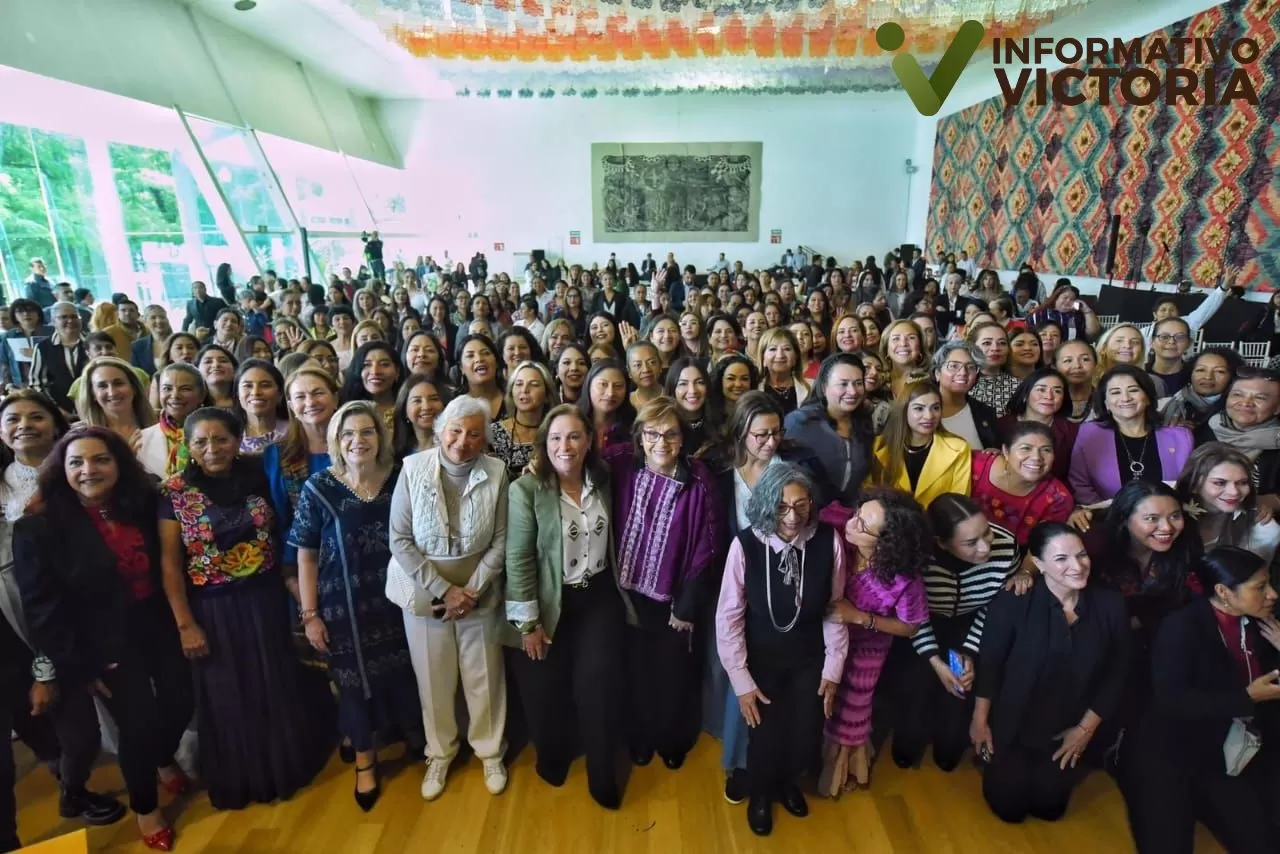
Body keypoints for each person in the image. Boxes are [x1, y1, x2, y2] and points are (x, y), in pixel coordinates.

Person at [14, 427, 193, 849]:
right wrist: (80, 664)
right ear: (62, 469)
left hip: (157, 621)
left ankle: (163, 757)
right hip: (101, 643)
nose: (89, 470)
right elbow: (42, 609)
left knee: (182, 702)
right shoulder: (37, 527)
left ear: (120, 465)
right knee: (136, 725)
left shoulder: (141, 503)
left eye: (101, 460)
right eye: (76, 462)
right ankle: (146, 808)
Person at [157, 407, 329, 812]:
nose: (212, 448)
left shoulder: (257, 476)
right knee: (228, 695)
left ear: (237, 441)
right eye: (200, 441)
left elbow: (283, 526)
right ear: (188, 445)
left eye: (221, 439)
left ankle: (284, 768)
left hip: (265, 600)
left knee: (274, 683)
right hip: (212, 610)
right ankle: (243, 777)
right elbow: (169, 565)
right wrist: (185, 625)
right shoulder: (173, 492)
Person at [0, 391, 125, 842]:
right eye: (12, 418)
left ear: (57, 424)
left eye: (37, 416)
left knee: (90, 722)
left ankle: (79, 783)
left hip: (80, 613)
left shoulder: (78, 470)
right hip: (15, 617)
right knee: (51, 723)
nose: (25, 425)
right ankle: (70, 789)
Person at [291, 401, 423, 810]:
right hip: (342, 606)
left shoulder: (402, 476)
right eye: (348, 433)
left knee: (406, 673)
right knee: (352, 687)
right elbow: (306, 554)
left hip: (398, 601)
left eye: (367, 432)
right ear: (335, 440)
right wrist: (310, 615)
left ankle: (415, 739)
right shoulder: (319, 487)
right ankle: (365, 762)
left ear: (380, 437)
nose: (357, 440)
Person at [388, 396, 511, 801]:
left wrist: (470, 591)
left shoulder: (496, 472)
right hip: (425, 592)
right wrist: (445, 590)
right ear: (440, 430)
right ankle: (439, 753)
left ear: (485, 438)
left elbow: (500, 540)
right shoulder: (412, 468)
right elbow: (401, 540)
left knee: (484, 677)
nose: (463, 440)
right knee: (433, 677)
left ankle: (490, 751)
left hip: (479, 589)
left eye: (474, 433)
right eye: (455, 431)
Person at [715, 464, 849, 836]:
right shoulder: (745, 545)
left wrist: (832, 669)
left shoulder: (829, 541)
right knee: (765, 731)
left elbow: (835, 609)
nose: (792, 517)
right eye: (781, 507)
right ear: (766, 506)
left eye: (801, 505)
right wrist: (741, 680)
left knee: (806, 728)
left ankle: (786, 783)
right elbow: (728, 617)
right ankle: (760, 794)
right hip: (762, 658)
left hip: (810, 657)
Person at [505, 404, 628, 809]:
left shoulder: (604, 478)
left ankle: (602, 774)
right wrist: (528, 624)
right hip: (547, 601)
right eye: (556, 438)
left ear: (589, 441)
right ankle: (554, 759)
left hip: (598, 597)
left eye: (574, 436)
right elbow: (519, 558)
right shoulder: (526, 490)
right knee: (544, 687)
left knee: (598, 684)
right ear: (544, 444)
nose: (565, 446)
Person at [1123, 546, 1280, 854]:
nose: (1273, 594)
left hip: (1235, 746)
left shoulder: (1268, 623)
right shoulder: (1181, 627)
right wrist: (1246, 697)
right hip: (1172, 749)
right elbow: (1172, 701)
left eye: (1270, 582)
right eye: (1260, 587)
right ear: (1223, 592)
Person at [972, 521, 1129, 825]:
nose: (1078, 566)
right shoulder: (1012, 601)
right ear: (1039, 564)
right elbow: (989, 664)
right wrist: (979, 721)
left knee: (1050, 809)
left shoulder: (1112, 605)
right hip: (1014, 725)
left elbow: (1118, 671)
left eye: (1082, 555)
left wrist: (1085, 730)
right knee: (1009, 809)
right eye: (1062, 559)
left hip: (1068, 726)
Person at [608, 396, 718, 770]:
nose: (661, 442)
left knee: (672, 673)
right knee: (636, 671)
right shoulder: (622, 465)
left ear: (683, 439)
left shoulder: (699, 479)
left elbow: (706, 545)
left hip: (673, 599)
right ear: (639, 437)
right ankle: (640, 736)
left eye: (671, 434)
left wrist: (687, 603)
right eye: (652, 433)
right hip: (625, 594)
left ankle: (672, 738)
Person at [893, 494, 1030, 771]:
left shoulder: (1005, 547)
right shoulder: (918, 556)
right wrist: (933, 658)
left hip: (972, 622)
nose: (985, 548)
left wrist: (968, 649)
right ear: (941, 543)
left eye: (987, 533)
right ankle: (908, 742)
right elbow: (912, 614)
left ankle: (950, 742)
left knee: (961, 684)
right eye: (970, 543)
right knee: (916, 684)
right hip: (921, 622)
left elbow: (995, 608)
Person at [821, 489, 931, 793]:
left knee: (850, 709)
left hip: (867, 645)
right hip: (825, 637)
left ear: (887, 542)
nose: (853, 524)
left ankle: (840, 772)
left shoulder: (904, 579)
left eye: (864, 525)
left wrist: (860, 617)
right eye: (858, 513)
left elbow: (910, 627)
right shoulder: (837, 526)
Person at [1068, 366, 1194, 506]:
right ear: (1105, 402)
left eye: (1133, 390)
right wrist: (1110, 515)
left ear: (1147, 397)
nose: (1126, 398)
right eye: (1115, 392)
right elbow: (1079, 484)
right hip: (1107, 519)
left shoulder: (1180, 437)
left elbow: (1188, 485)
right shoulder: (1089, 433)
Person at [784, 354, 872, 506]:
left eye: (858, 383)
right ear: (824, 387)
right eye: (843, 384)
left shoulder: (864, 422)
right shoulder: (800, 422)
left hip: (848, 516)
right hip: (804, 516)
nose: (852, 391)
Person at [869, 381, 971, 508]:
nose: (929, 416)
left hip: (940, 524)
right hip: (892, 524)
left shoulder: (959, 448)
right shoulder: (878, 446)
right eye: (919, 409)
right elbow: (870, 497)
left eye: (935, 408)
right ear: (904, 410)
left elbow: (959, 504)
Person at [1175, 443, 1280, 564]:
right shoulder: (1168, 516)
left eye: (1242, 482)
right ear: (1193, 484)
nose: (1234, 492)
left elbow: (1254, 577)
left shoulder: (1263, 529)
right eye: (1220, 483)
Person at [971, 422, 1075, 545]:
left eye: (1046, 450)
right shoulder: (975, 464)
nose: (1036, 457)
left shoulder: (1058, 499)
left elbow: (1038, 551)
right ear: (1006, 451)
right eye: (1026, 448)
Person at [997, 368, 1080, 484]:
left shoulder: (1073, 432)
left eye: (1057, 391)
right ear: (1026, 394)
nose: (1049, 396)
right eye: (1041, 389)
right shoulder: (1001, 425)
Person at [134, 364, 205, 480]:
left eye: (185, 389)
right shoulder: (142, 439)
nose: (175, 395)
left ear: (201, 395)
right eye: (167, 388)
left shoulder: (218, 433)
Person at [929, 340, 1002, 450]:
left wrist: (994, 453)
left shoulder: (985, 412)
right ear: (937, 373)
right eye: (953, 366)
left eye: (971, 367)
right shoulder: (921, 410)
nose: (963, 372)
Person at [1158, 347, 1239, 432]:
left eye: (1219, 371)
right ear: (1190, 373)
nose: (1208, 377)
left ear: (1232, 377)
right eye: (1201, 370)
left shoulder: (1238, 409)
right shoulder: (1165, 406)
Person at [28, 302, 88, 417]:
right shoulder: (43, 347)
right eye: (64, 317)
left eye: (74, 316)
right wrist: (56, 410)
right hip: (59, 414)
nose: (70, 320)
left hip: (94, 410)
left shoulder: (93, 343)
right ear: (53, 321)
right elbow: (37, 384)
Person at [392, 373, 449, 458]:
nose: (426, 407)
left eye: (434, 399)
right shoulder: (396, 452)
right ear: (404, 409)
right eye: (417, 401)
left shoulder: (453, 449)